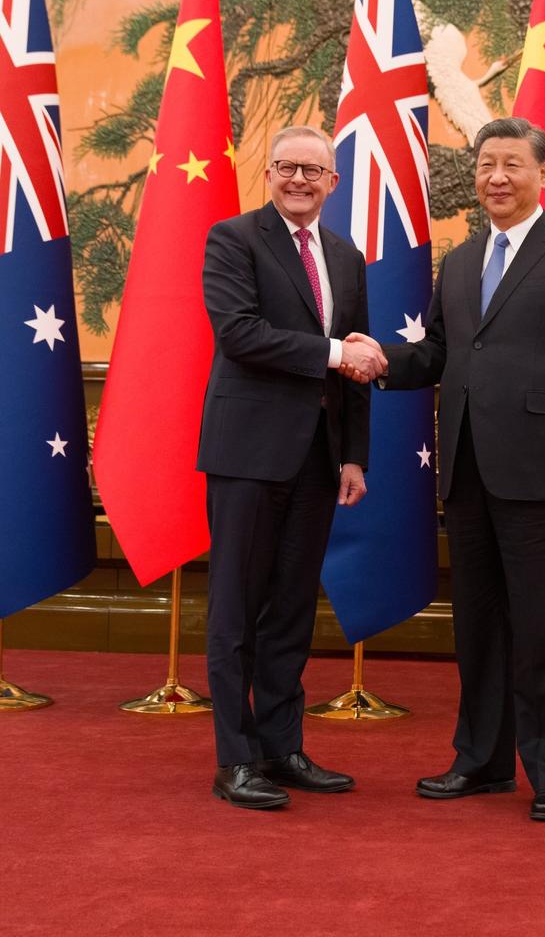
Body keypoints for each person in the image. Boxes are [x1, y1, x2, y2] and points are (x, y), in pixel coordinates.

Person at [343, 117, 545, 821]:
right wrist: (377, 358)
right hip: (467, 470)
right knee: (478, 626)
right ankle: (482, 761)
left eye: (511, 165)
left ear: (542, 173)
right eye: (485, 164)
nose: (496, 177)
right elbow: (439, 352)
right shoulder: (463, 260)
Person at [197, 125, 386, 810]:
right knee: (236, 613)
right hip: (247, 454)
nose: (299, 179)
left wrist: (355, 455)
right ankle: (236, 759)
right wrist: (336, 354)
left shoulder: (346, 255)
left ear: (333, 183)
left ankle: (281, 748)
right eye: (286, 167)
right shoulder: (234, 239)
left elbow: (359, 359)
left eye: (313, 170)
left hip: (317, 457)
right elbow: (239, 333)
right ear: (268, 174)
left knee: (291, 613)